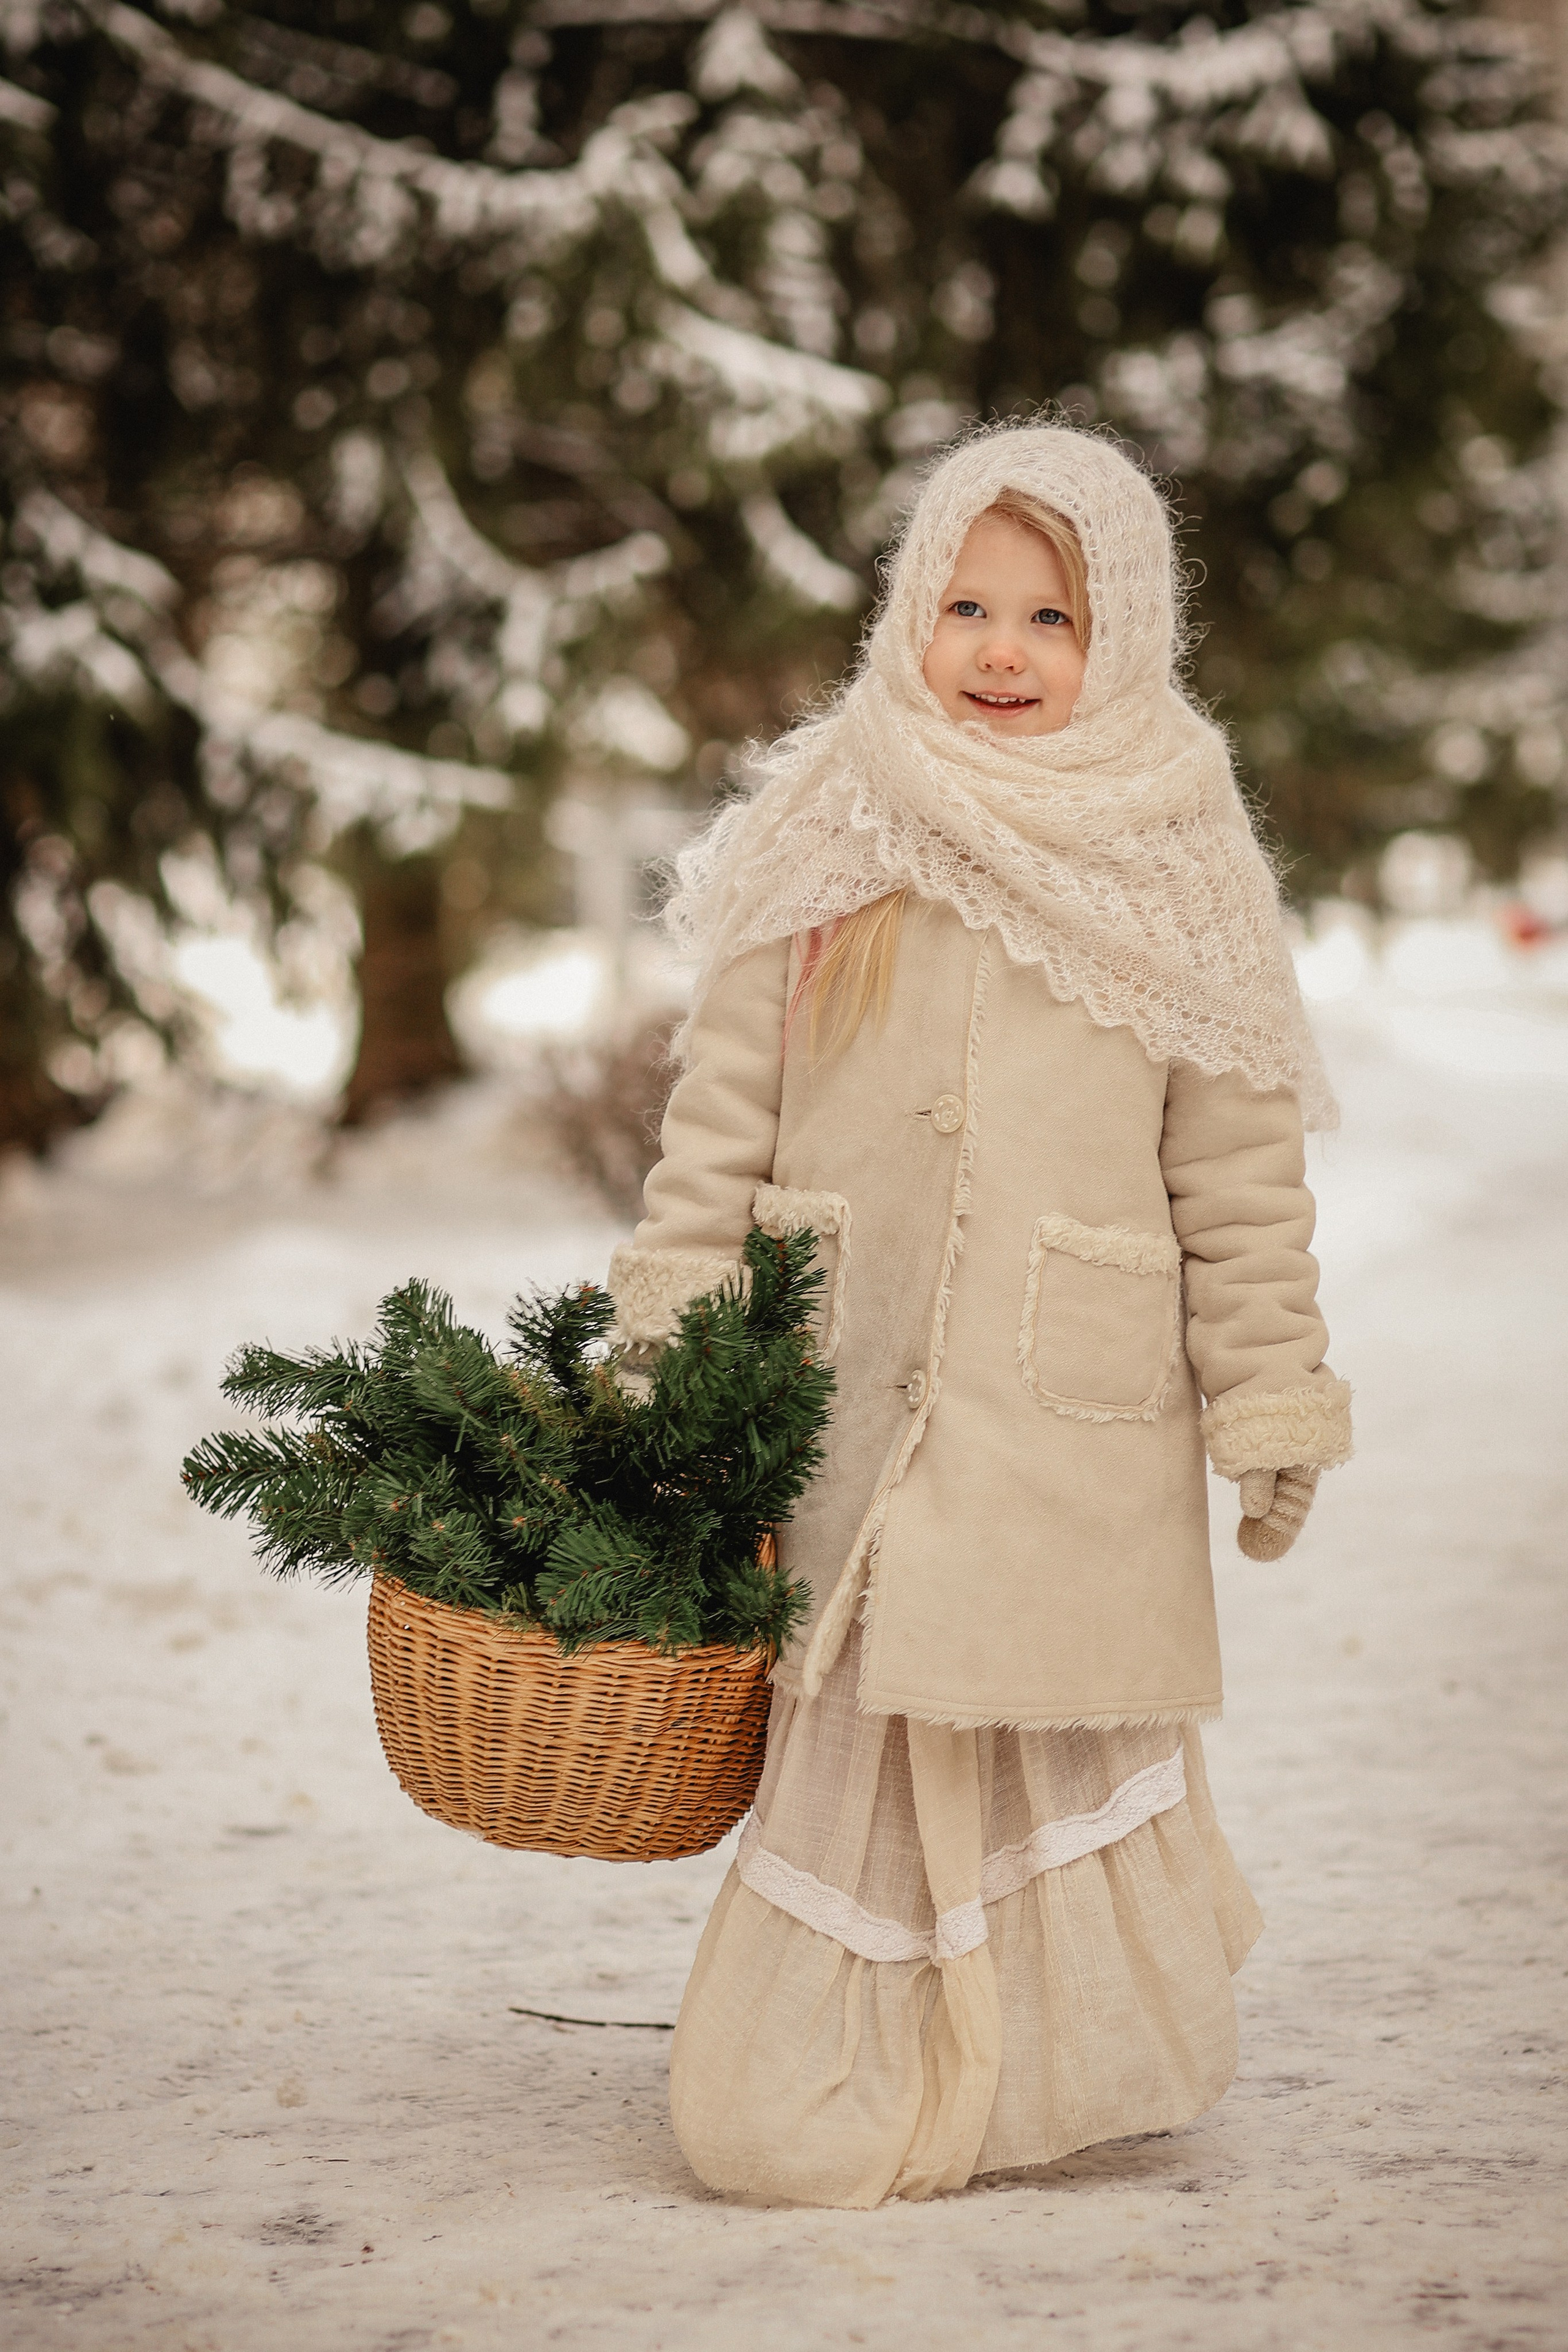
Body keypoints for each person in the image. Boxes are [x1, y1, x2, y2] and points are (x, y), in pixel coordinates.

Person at [606, 421, 1352, 2208]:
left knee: (1034, 1718)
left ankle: (1044, 2068)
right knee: (868, 1732)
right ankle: (842, 2064)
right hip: (847, 1393)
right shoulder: (833, 822)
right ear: (905, 612)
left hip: (1063, 1415)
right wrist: (667, 1355)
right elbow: (714, 1143)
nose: (1003, 651)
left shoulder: (1178, 848)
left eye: (1053, 617)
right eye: (967, 605)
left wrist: (1272, 1396)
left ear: (1134, 637)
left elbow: (1237, 1179)